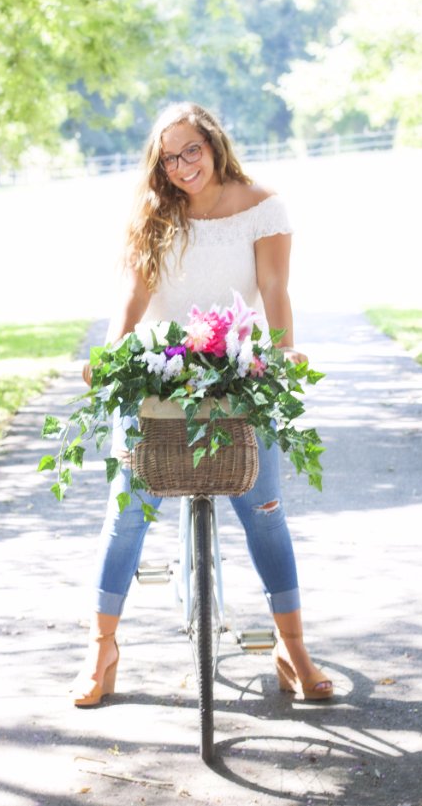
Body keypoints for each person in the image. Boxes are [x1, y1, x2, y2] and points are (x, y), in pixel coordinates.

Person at [72, 102, 333, 706]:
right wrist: (110, 355)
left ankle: (292, 648)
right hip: (159, 369)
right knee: (128, 510)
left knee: (264, 508)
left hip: (239, 366)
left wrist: (284, 353)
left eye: (192, 149)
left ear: (214, 143)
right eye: (169, 157)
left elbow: (274, 287)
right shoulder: (153, 211)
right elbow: (133, 293)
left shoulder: (263, 206)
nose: (183, 165)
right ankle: (100, 648)